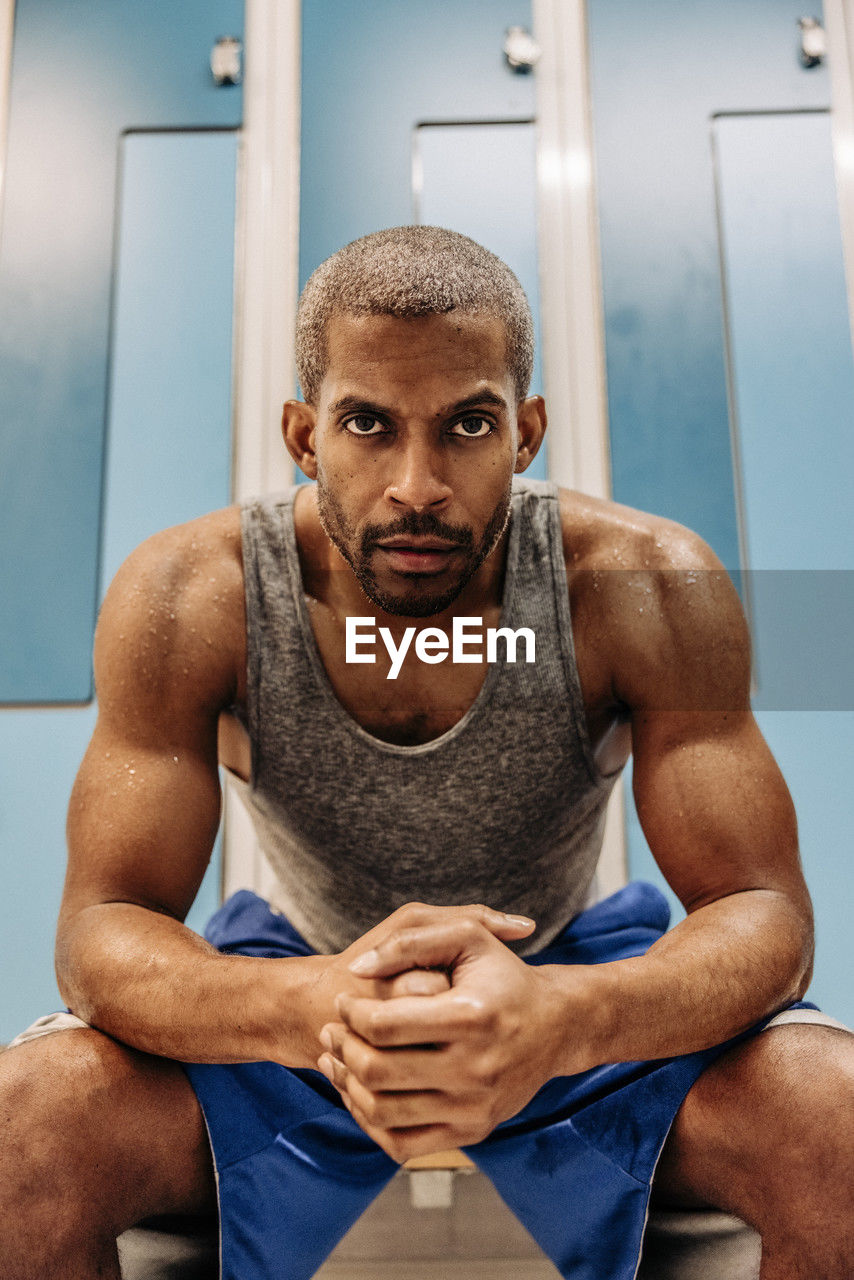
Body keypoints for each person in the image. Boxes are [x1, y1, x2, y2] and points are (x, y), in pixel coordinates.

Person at [1, 226, 851, 1280]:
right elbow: (100, 928)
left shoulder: (643, 583)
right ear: (304, 436)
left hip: (568, 991)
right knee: (28, 1118)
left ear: (525, 432)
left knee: (833, 1111)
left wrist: (561, 1017)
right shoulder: (192, 596)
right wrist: (314, 1004)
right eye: (367, 423)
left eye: (466, 425)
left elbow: (765, 911)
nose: (417, 483)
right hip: (299, 1003)